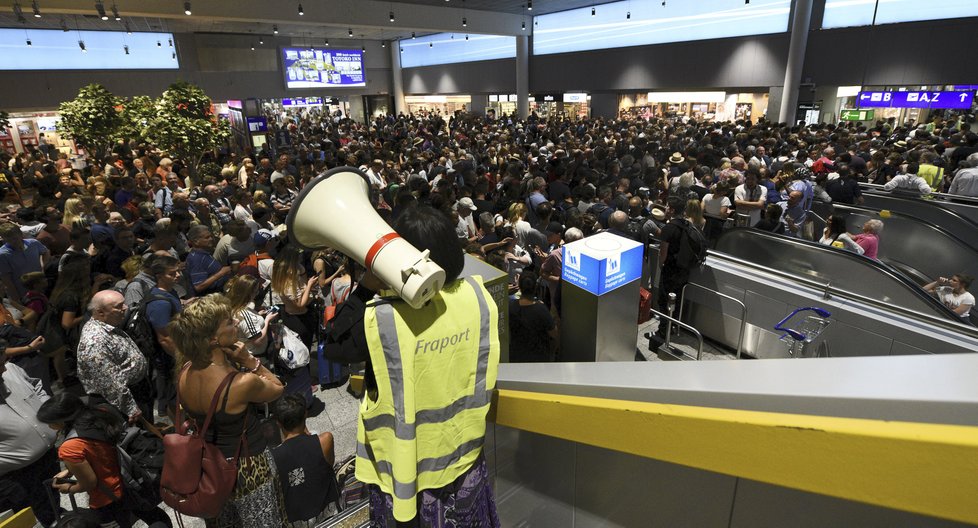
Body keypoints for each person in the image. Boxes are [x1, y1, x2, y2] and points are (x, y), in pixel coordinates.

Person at [323, 205, 500, 526]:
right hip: (466, 455)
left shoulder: (383, 318)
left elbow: (334, 347)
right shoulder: (478, 295)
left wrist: (367, 284)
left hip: (407, 472)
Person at [169, 294, 285, 527]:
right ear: (213, 339)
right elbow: (277, 388)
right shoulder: (240, 383)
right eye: (229, 322)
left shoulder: (184, 371)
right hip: (248, 466)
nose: (237, 322)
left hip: (210, 466)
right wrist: (251, 361)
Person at [38, 393, 171, 528]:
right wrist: (70, 470)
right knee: (157, 517)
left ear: (62, 420)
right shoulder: (103, 412)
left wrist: (69, 488)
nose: (50, 427)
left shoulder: (70, 446)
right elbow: (103, 450)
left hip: (108, 497)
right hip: (132, 480)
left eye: (50, 423)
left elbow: (89, 483)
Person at [0, 341, 60, 528]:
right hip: (17, 477)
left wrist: (47, 408)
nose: (4, 369)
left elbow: (37, 387)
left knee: (54, 509)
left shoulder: (11, 368)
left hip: (48, 459)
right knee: (34, 521)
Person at [75, 290, 153, 424]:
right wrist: (131, 408)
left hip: (135, 391)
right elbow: (109, 383)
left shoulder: (108, 325)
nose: (126, 308)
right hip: (120, 402)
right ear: (100, 312)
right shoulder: (95, 341)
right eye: (119, 306)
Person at [270, 393, 339, 528]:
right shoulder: (325, 440)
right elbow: (329, 464)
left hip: (297, 521)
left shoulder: (273, 457)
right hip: (329, 511)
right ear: (305, 414)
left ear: (278, 423)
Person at [224, 275, 278, 359]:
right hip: (256, 358)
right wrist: (267, 320)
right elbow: (257, 341)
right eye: (256, 291)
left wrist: (258, 315)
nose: (257, 293)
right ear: (249, 293)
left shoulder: (234, 307)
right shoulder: (245, 314)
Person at [508, 271, 557, 362]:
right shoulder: (541, 310)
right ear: (535, 287)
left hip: (516, 356)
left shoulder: (510, 306)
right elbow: (553, 333)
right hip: (538, 358)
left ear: (520, 287)